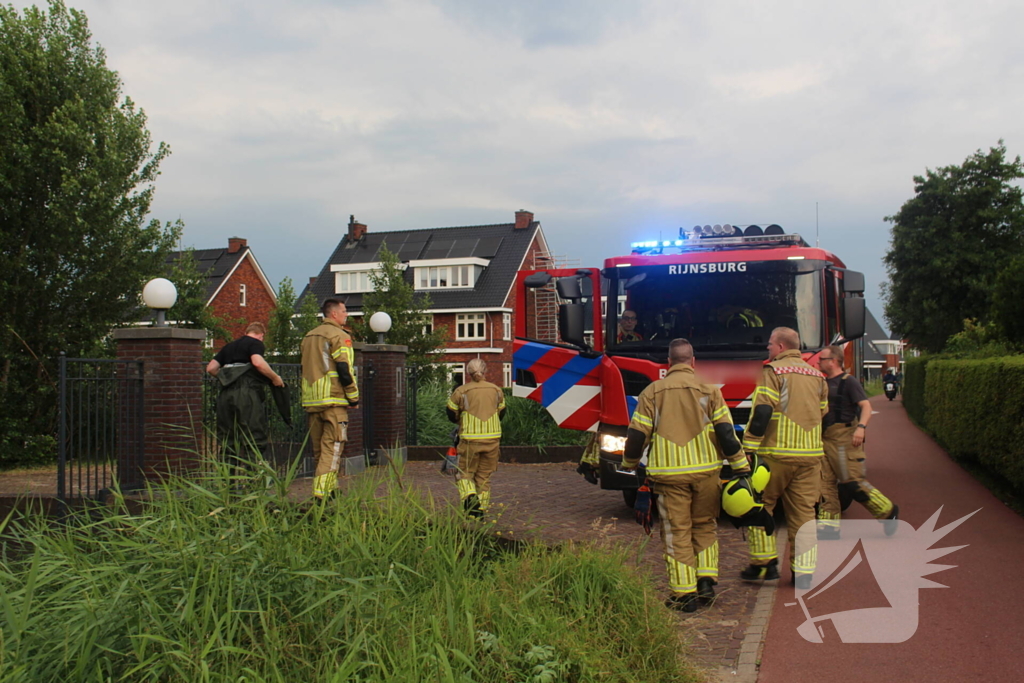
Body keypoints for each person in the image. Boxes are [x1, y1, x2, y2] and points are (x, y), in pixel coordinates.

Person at [621, 338, 749, 612]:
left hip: (669, 477)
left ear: (669, 363)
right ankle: (706, 581)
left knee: (677, 531)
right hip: (706, 473)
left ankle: (684, 595)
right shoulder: (710, 391)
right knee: (704, 525)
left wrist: (630, 462)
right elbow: (726, 433)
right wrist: (740, 467)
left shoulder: (652, 392)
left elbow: (637, 435)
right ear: (693, 362)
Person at [740, 327, 828, 589]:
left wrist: (749, 447)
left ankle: (764, 564)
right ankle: (803, 573)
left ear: (780, 346)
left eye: (769, 344)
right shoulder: (818, 375)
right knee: (803, 514)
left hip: (776, 453)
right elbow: (823, 411)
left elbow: (763, 412)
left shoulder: (773, 371)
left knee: (759, 504)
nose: (767, 348)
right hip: (810, 455)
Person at [816, 346, 899, 539]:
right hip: (825, 437)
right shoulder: (821, 383)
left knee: (852, 482)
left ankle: (887, 511)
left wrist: (861, 428)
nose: (818, 362)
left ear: (833, 361)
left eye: (822, 359)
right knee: (825, 484)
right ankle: (829, 526)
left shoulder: (849, 382)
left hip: (844, 437)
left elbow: (866, 406)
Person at [206, 322, 285, 476]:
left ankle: (228, 486)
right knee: (253, 438)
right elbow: (257, 362)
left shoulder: (229, 346)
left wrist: (227, 378)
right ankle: (254, 484)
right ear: (261, 335)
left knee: (229, 440)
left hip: (225, 395)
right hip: (246, 394)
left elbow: (210, 368)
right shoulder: (255, 344)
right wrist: (275, 378)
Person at [300, 299, 359, 501]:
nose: (346, 315)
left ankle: (331, 490)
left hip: (312, 401)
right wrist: (353, 396)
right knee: (333, 448)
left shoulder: (308, 336)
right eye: (344, 311)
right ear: (334, 314)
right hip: (334, 400)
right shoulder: (339, 336)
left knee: (319, 451)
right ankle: (322, 495)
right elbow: (344, 368)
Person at [447, 359, 506, 517]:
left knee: (464, 473)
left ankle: (470, 499)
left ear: (469, 373)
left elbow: (451, 413)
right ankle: (481, 511)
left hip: (469, 440)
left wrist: (462, 418)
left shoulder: (461, 391)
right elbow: (502, 412)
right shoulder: (496, 390)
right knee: (484, 475)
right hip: (492, 439)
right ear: (485, 371)